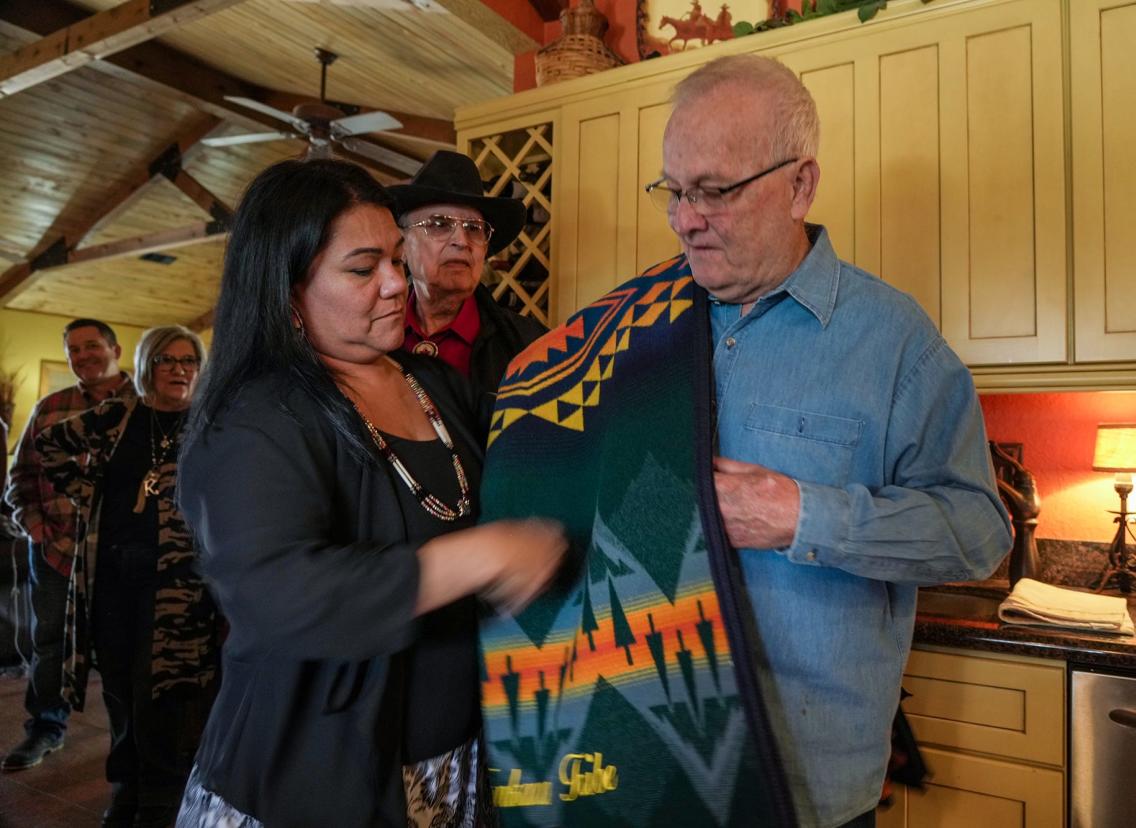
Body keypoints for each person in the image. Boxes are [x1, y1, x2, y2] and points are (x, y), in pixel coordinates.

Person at [476, 54, 1011, 827]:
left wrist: (801, 515)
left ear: (800, 184)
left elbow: (979, 531)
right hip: (644, 777)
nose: (687, 218)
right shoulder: (631, 330)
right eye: (675, 190)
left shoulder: (895, 343)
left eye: (716, 191)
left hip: (810, 787)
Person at [174, 158, 566, 828]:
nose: (395, 282)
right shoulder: (258, 416)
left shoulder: (430, 385)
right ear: (290, 290)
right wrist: (480, 556)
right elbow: (277, 592)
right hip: (312, 777)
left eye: (393, 258)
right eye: (362, 268)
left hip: (445, 767)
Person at [36, 325, 218, 828]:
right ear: (146, 366)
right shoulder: (119, 415)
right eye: (167, 360)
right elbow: (49, 443)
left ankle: (164, 797)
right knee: (119, 689)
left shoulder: (211, 426)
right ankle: (126, 790)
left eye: (189, 361)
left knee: (169, 694)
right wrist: (88, 488)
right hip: (114, 580)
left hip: (182, 588)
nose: (180, 369)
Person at [3, 319, 136, 773]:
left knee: (125, 648)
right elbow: (19, 477)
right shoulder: (49, 407)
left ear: (116, 348)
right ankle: (45, 728)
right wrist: (34, 525)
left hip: (123, 558)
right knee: (49, 643)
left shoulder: (146, 404)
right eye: (73, 351)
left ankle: (130, 739)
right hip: (57, 552)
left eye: (92, 346)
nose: (83, 357)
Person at [388, 150, 545, 393]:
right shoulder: (371, 333)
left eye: (474, 228)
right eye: (439, 224)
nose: (462, 241)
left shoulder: (531, 344)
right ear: (402, 246)